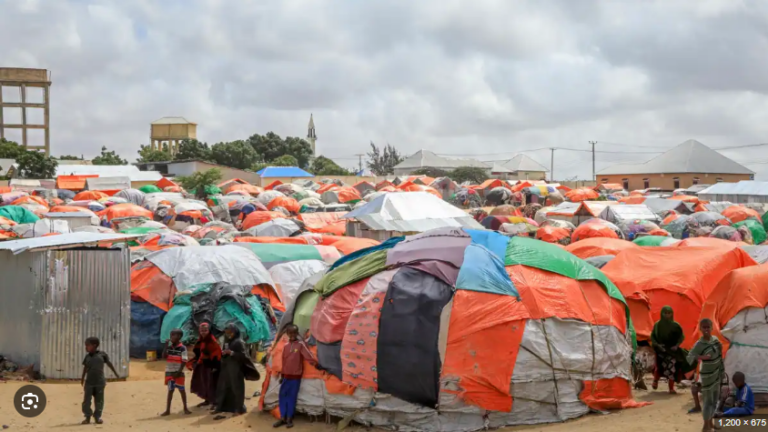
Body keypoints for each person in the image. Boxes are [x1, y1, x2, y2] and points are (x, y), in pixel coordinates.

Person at [274, 324, 319, 429]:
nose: (292, 335)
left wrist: (317, 364)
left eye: (294, 333)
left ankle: (289, 418)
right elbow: (284, 362)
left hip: (295, 377)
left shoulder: (300, 345)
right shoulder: (285, 346)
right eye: (290, 333)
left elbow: (308, 356)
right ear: (287, 334)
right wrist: (282, 375)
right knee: (282, 396)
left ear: (297, 333)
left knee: (291, 397)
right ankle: (282, 417)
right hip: (286, 376)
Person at [214, 324, 260, 419]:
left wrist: (231, 353)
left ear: (235, 332)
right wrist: (224, 353)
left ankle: (239, 409)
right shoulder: (228, 342)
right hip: (227, 369)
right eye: (227, 333)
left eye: (230, 332)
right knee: (224, 388)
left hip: (236, 370)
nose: (228, 334)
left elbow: (244, 356)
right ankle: (223, 407)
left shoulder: (239, 342)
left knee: (237, 389)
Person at [687, 318, 724, 432]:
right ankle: (705, 426)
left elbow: (719, 353)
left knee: (714, 399)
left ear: (712, 328)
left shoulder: (715, 340)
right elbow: (690, 356)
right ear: (700, 329)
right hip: (707, 376)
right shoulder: (699, 344)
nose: (706, 329)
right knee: (707, 401)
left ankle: (711, 423)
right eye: (704, 327)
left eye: (708, 327)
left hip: (717, 374)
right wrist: (702, 357)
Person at [651, 306, 690, 393]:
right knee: (659, 366)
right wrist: (657, 345)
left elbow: (681, 336)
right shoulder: (657, 325)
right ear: (662, 314)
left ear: (672, 314)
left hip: (672, 351)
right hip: (660, 350)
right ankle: (655, 381)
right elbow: (653, 336)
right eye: (665, 313)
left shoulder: (676, 325)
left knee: (671, 367)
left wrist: (676, 345)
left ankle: (671, 388)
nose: (667, 315)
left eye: (669, 313)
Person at [81, 336, 119, 425]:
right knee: (86, 401)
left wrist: (116, 373)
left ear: (94, 345)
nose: (86, 347)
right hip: (89, 382)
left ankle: (97, 417)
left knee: (99, 401)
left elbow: (109, 364)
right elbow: (85, 368)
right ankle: (87, 417)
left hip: (100, 382)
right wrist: (82, 379)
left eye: (88, 345)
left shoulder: (102, 355)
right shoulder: (87, 357)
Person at [188, 322, 222, 408]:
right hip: (202, 365)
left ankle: (214, 402)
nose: (203, 332)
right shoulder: (201, 340)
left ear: (209, 331)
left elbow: (217, 353)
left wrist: (215, 366)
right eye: (202, 330)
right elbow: (198, 351)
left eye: (205, 330)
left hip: (210, 366)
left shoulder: (212, 340)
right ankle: (207, 400)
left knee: (211, 384)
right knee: (203, 383)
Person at [162, 328, 192, 416]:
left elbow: (184, 360)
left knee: (181, 390)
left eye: (173, 335)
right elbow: (164, 356)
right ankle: (167, 410)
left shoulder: (182, 348)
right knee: (170, 390)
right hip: (170, 372)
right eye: (171, 335)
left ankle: (185, 408)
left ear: (179, 337)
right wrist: (166, 346)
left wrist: (179, 372)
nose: (171, 337)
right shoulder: (169, 347)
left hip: (179, 373)